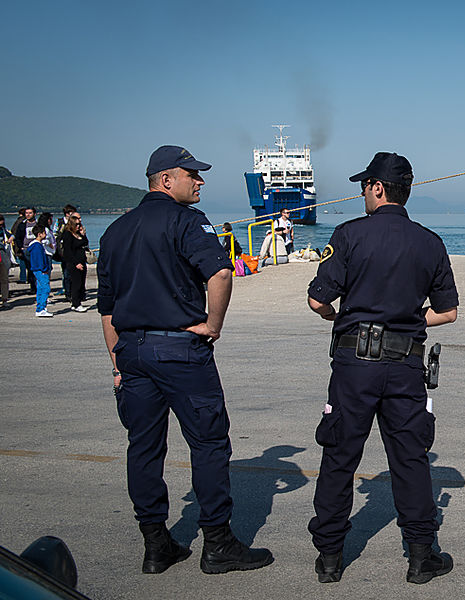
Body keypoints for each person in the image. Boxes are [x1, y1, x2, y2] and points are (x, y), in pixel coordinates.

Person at [97, 145, 273, 575]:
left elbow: (107, 308)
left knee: (143, 448)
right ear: (165, 180)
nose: (200, 181)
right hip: (179, 350)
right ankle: (218, 544)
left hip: (132, 350)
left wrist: (119, 363)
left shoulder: (115, 231)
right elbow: (221, 272)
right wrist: (213, 325)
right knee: (209, 444)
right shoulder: (188, 221)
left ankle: (156, 545)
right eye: (191, 174)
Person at [306, 152, 458, 585]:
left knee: (340, 457)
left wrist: (339, 317)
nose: (362, 194)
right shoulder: (429, 242)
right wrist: (408, 320)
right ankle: (421, 555)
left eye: (363, 187)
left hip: (354, 365)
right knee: (410, 459)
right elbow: (447, 312)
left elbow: (318, 299)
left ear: (377, 188)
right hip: (406, 363)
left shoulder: (349, 235)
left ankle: (331, 557)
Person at [61, 213, 89, 312]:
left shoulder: (78, 234)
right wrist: (76, 263)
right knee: (76, 283)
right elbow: (68, 251)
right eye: (76, 225)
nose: (78, 226)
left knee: (81, 283)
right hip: (74, 263)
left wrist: (82, 234)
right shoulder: (68, 234)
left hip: (82, 260)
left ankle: (76, 302)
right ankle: (76, 303)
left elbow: (85, 242)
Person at [28, 225, 53, 317]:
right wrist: (44, 269)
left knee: (40, 288)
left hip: (37, 269)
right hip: (40, 270)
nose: (45, 235)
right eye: (44, 233)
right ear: (39, 234)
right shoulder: (37, 246)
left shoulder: (35, 245)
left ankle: (40, 307)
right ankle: (41, 308)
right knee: (45, 288)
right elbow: (39, 259)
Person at [56, 204, 78, 299]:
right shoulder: (60, 223)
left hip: (74, 250)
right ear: (68, 214)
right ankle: (67, 292)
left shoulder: (76, 223)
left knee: (73, 273)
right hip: (64, 251)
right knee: (66, 272)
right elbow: (56, 235)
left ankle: (73, 292)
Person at [14, 207, 37, 292]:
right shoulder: (22, 224)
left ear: (34, 214)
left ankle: (37, 286)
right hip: (26, 248)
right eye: (26, 213)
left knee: (37, 268)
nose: (28, 215)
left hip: (36, 248)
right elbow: (18, 237)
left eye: (30, 213)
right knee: (29, 268)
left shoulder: (38, 224)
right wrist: (21, 247)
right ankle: (32, 287)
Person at [0, 214, 12, 309]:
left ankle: (4, 298)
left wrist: (11, 239)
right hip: (2, 255)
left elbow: (12, 235)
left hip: (2, 255)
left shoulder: (3, 230)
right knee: (4, 279)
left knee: (4, 279)